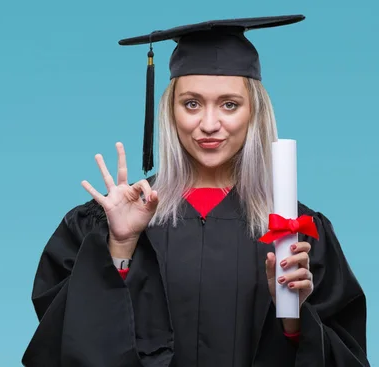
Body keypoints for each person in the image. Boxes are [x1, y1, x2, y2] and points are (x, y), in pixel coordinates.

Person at [21, 14, 369, 367]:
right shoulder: (115, 219)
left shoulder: (295, 228)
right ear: (170, 113)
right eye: (191, 104)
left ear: (254, 113)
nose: (209, 124)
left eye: (230, 104)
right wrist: (120, 247)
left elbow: (345, 353)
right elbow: (64, 341)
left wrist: (293, 318)